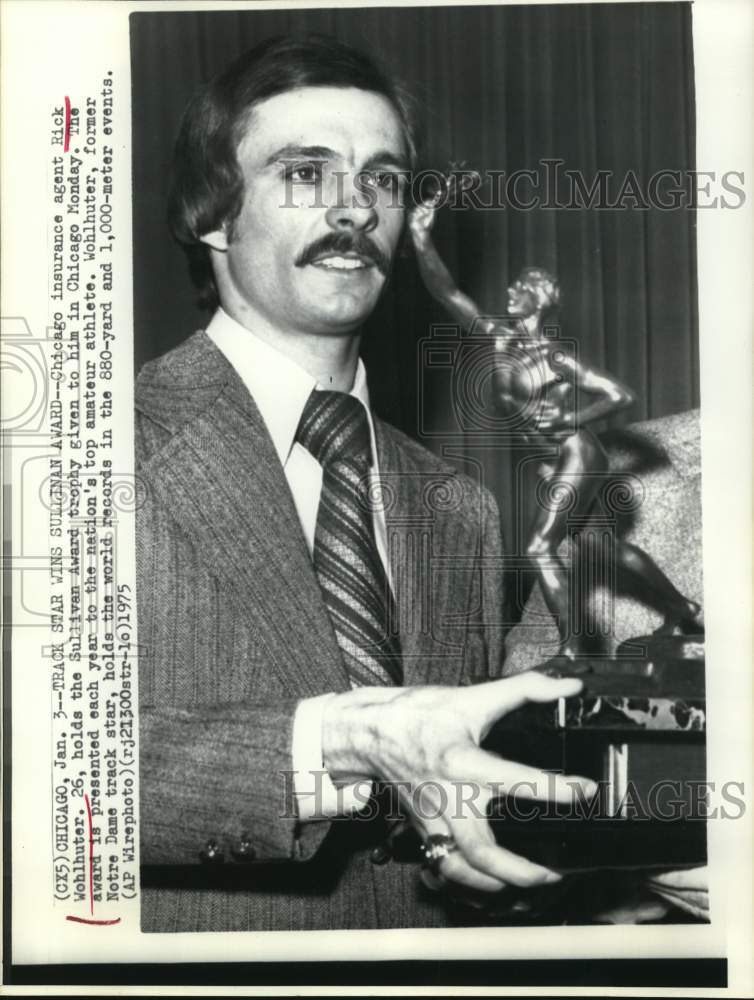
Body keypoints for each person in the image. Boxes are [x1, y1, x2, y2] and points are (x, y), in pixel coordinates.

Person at [135, 33, 594, 933]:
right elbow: (32, 771)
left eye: (382, 179)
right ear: (211, 214)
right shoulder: (79, 452)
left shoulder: (460, 508)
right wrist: (341, 744)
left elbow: (445, 781)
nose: (354, 209)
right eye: (306, 172)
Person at [409, 205, 701, 658]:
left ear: (539, 299)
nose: (510, 290)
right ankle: (683, 608)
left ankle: (572, 654)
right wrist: (421, 237)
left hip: (578, 453)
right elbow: (446, 292)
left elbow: (619, 395)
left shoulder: (555, 358)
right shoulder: (499, 338)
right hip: (557, 463)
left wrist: (572, 421)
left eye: (521, 287)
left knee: (538, 548)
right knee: (605, 552)